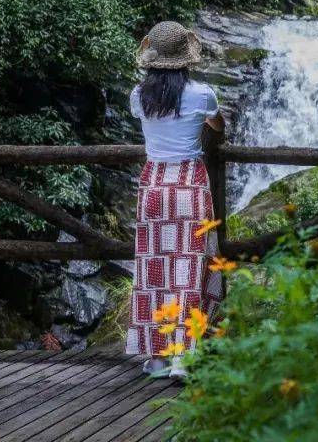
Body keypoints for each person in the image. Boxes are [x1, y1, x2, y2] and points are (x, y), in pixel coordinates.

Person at [124, 20, 225, 380]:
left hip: (153, 186)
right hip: (188, 186)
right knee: (188, 270)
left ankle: (156, 357)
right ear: (186, 59)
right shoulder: (202, 94)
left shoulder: (139, 96)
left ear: (152, 58)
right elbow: (217, 125)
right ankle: (184, 355)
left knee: (155, 271)